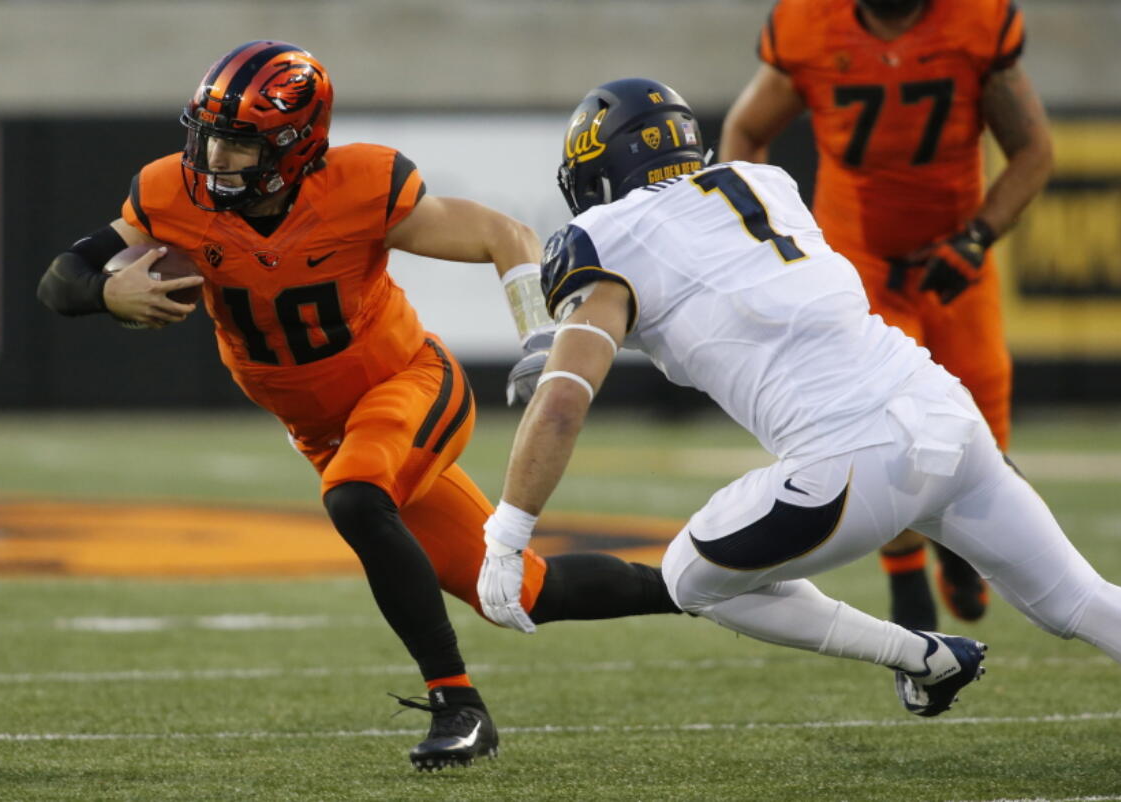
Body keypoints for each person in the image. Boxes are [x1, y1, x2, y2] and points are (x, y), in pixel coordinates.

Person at [37, 41, 679, 772]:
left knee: (354, 495)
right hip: (322, 431)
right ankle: (702, 586)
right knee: (520, 590)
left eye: (238, 144)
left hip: (406, 385)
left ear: (292, 144)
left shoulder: (359, 186)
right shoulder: (170, 195)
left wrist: (539, 339)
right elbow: (62, 278)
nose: (214, 158)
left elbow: (506, 234)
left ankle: (458, 706)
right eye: (209, 136)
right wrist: (105, 292)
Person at [476, 79, 1121, 720]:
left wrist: (507, 539)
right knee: (1084, 600)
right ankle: (928, 655)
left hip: (855, 459)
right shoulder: (764, 183)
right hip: (946, 414)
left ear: (601, 170)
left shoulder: (604, 237)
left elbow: (563, 404)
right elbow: (724, 286)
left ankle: (921, 655)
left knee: (689, 577)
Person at [716, 0, 1054, 631]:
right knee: (881, 426)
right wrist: (763, 234)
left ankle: (956, 553)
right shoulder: (809, 25)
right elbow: (744, 132)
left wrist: (978, 235)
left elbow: (1033, 150)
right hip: (858, 260)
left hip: (954, 256)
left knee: (982, 431)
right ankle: (907, 587)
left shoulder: (975, 23)